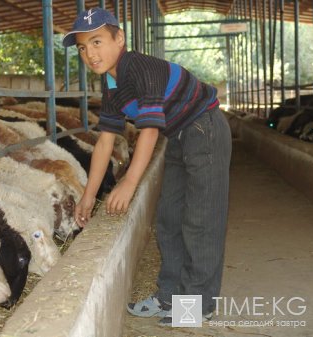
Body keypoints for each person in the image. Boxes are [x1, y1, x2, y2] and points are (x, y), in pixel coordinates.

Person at [62, 7, 231, 326]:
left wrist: (129, 183)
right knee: (168, 216)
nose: (90, 54)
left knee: (200, 218)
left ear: (119, 38)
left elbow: (149, 130)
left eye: (97, 42)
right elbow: (104, 142)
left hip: (204, 128)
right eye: (83, 48)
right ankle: (169, 296)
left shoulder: (137, 67)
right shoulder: (111, 86)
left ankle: (197, 304)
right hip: (180, 135)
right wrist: (88, 195)